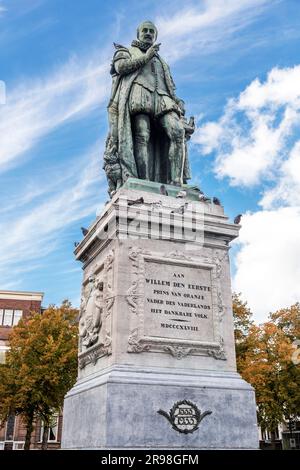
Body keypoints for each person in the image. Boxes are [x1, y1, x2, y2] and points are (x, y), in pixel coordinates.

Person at [104, 20, 192, 189]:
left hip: (163, 97)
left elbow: (169, 84)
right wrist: (146, 57)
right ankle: (144, 182)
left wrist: (178, 100)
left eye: (152, 31)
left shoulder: (161, 60)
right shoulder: (125, 51)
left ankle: (176, 183)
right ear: (138, 33)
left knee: (177, 132)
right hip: (139, 93)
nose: (148, 33)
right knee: (142, 135)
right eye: (145, 30)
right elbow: (121, 67)